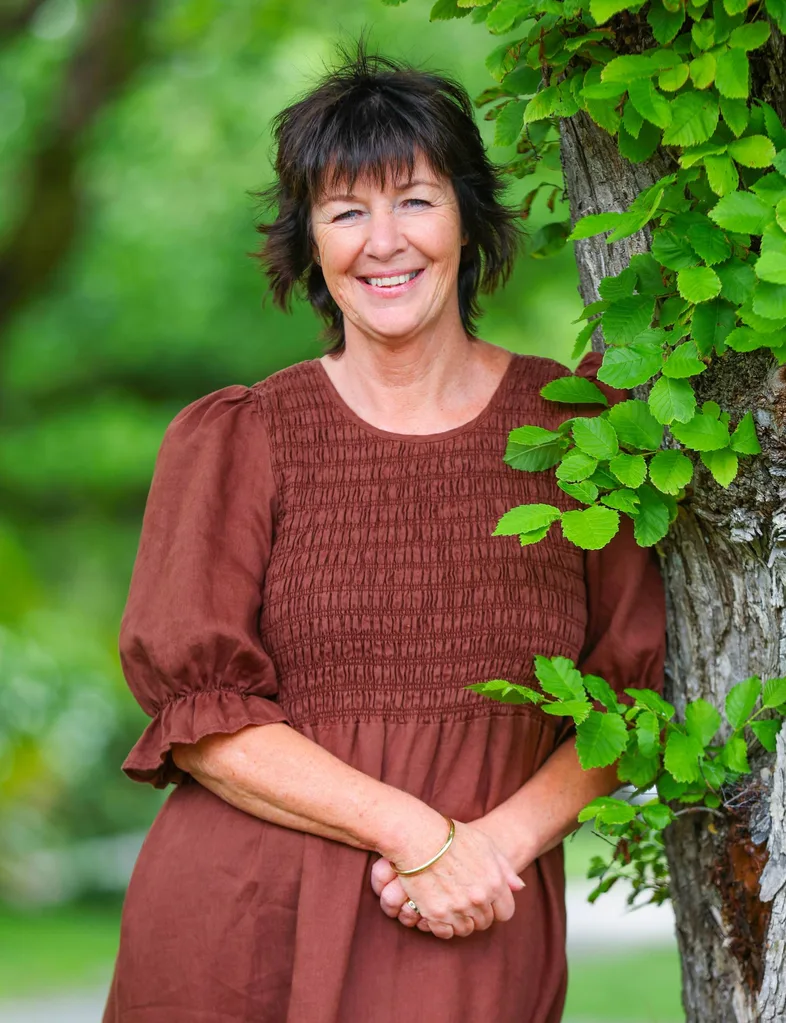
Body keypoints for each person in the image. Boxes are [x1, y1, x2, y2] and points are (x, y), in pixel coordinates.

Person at [102, 45, 665, 1023]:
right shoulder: (238, 438)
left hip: (474, 919)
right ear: (309, 242)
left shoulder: (582, 432)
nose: (384, 241)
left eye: (414, 199)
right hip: (246, 927)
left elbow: (627, 698)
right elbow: (201, 721)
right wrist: (424, 838)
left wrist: (488, 850)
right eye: (346, 210)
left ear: (469, 217)